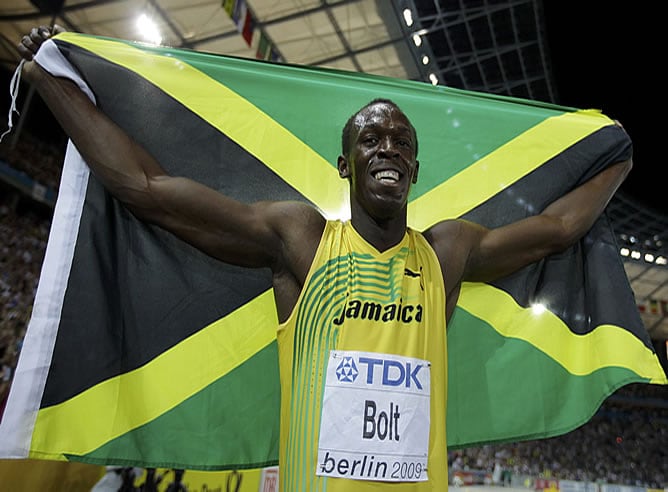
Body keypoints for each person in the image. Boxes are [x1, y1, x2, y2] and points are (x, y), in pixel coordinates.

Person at [17, 26, 632, 492]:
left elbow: (556, 229)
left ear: (415, 170)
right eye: (371, 139)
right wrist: (53, 83)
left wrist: (617, 156)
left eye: (401, 144)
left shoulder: (448, 251)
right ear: (345, 166)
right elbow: (147, 191)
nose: (387, 148)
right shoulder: (302, 241)